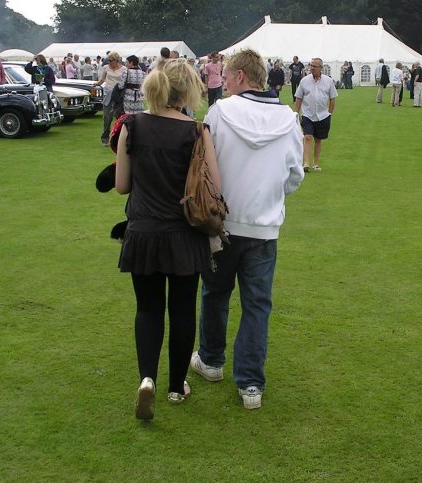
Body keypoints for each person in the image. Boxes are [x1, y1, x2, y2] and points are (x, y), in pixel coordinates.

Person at [191, 48, 303, 411]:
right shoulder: (289, 118)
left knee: (215, 293)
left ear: (241, 77)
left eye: (225, 76)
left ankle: (211, 361)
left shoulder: (220, 112)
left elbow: (207, 165)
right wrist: (269, 194)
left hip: (222, 223)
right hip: (264, 226)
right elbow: (294, 177)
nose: (222, 82)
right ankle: (250, 383)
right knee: (257, 305)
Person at [115, 58, 220, 421]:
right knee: (182, 310)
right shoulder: (196, 131)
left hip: (143, 232)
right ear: (188, 89)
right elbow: (214, 188)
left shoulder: (131, 125)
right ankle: (177, 386)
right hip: (184, 236)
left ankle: (147, 379)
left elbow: (121, 186)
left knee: (147, 309)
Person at [293, 57, 337, 172]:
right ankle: (306, 163)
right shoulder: (304, 81)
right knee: (307, 137)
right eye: (310, 65)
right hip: (308, 114)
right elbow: (298, 99)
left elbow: (333, 99)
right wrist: (295, 114)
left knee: (318, 139)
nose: (311, 68)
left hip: (323, 115)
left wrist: (329, 113)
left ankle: (315, 163)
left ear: (321, 68)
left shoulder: (328, 81)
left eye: (314, 66)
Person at [95, 51, 127, 146]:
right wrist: (96, 84)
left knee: (119, 117)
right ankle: (105, 138)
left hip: (119, 95)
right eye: (108, 60)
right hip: (108, 94)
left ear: (116, 60)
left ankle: (118, 138)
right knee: (107, 117)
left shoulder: (124, 69)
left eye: (111, 60)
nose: (109, 62)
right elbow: (102, 80)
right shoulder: (105, 68)